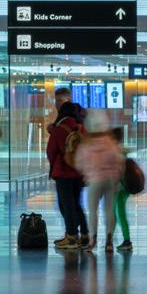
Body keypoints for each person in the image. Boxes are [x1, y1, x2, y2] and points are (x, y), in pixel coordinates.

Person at [75, 111, 124, 252]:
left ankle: (92, 241)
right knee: (109, 210)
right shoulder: (111, 143)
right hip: (111, 180)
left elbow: (79, 164)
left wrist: (88, 171)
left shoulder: (86, 144)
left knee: (93, 211)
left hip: (94, 181)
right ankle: (109, 241)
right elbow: (119, 161)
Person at [47, 102, 88, 249]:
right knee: (77, 204)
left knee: (66, 205)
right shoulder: (82, 128)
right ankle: (85, 235)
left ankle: (71, 237)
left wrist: (54, 165)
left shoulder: (59, 129)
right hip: (79, 172)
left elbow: (51, 151)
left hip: (63, 173)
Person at [111, 127, 133, 252]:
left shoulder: (114, 151)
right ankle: (116, 238)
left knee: (118, 214)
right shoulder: (121, 150)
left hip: (118, 188)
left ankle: (125, 240)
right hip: (125, 187)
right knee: (117, 214)